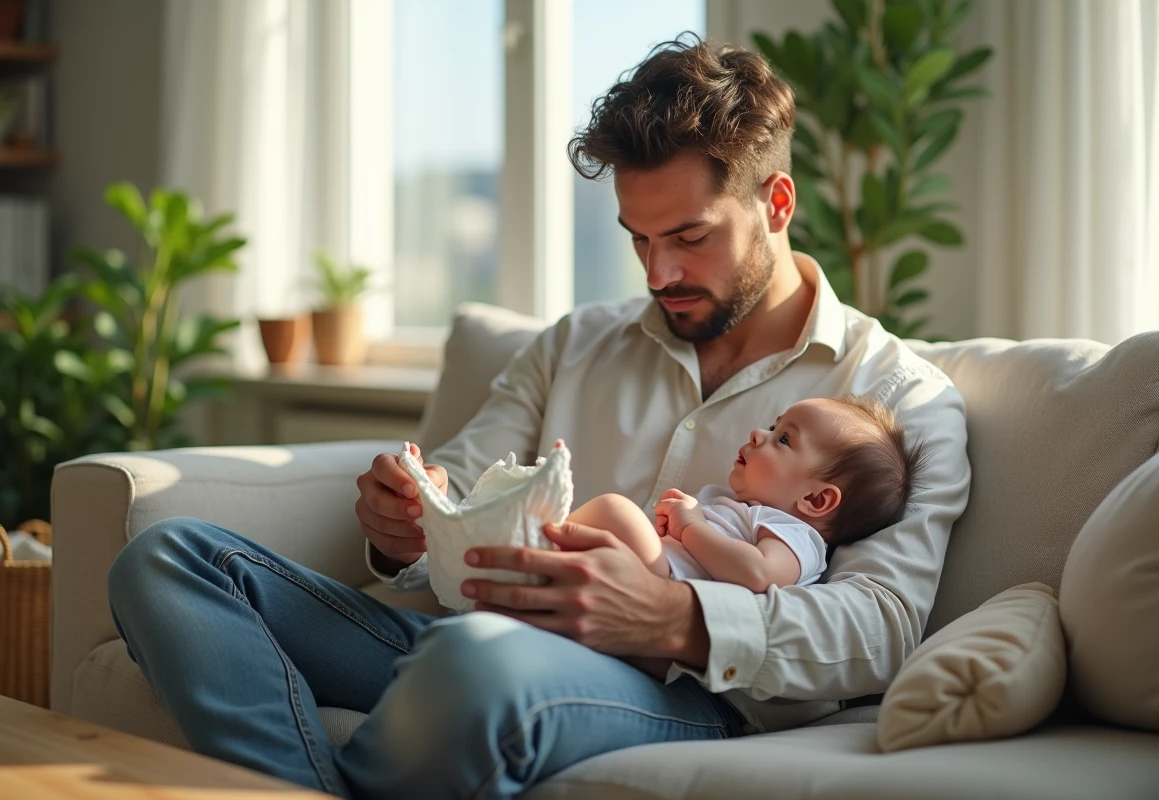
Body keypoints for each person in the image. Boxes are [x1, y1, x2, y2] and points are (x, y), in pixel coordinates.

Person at [106, 36, 970, 799]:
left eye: (692, 237)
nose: (659, 270)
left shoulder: (897, 393)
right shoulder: (573, 345)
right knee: (170, 557)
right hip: (474, 634)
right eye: (639, 238)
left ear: (776, 204)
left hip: (685, 691)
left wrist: (672, 617)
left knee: (471, 662)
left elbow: (885, 624)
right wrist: (409, 519)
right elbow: (457, 483)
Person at [569, 396, 925, 593]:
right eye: (774, 426)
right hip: (646, 573)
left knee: (616, 512)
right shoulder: (730, 503)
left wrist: (690, 528)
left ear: (816, 500)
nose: (758, 433)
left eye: (784, 439)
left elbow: (758, 573)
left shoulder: (797, 537)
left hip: (666, 591)